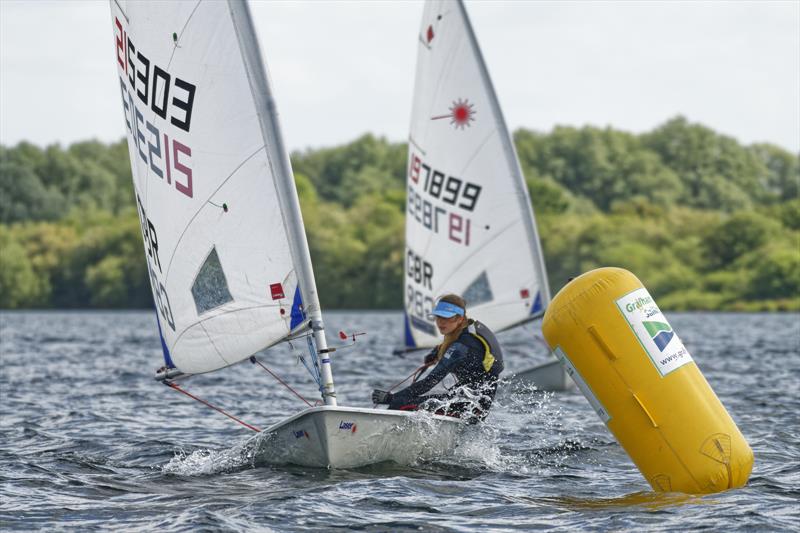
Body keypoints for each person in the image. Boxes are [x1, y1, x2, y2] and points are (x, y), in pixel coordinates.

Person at [372, 294, 504, 423]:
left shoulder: (463, 345)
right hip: (465, 401)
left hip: (471, 409)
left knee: (402, 403)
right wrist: (437, 351)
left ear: (459, 318)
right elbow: (458, 347)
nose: (440, 322)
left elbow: (429, 382)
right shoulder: (467, 331)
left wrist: (391, 398)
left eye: (446, 318)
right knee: (410, 400)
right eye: (438, 317)